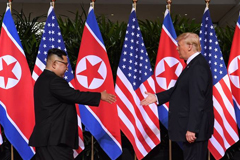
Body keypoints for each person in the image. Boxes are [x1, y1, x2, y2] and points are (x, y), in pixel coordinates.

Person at [29, 48, 116, 160]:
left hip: (47, 139)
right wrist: (99, 96)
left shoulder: (42, 80)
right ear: (54, 64)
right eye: (65, 64)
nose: (67, 68)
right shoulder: (53, 81)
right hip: (55, 139)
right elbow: (74, 95)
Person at [141, 32, 214, 160]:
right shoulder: (193, 65)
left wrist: (192, 129)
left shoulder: (197, 67)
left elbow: (198, 100)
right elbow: (179, 90)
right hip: (191, 128)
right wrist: (156, 97)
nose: (176, 48)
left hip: (194, 130)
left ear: (190, 46)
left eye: (179, 45)